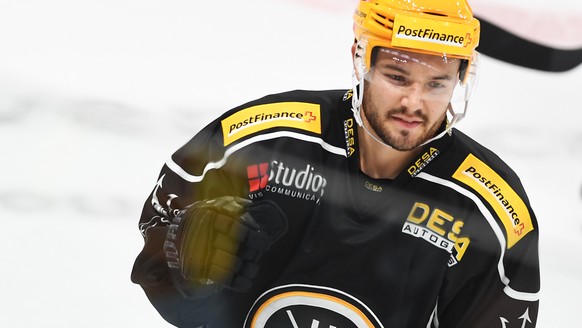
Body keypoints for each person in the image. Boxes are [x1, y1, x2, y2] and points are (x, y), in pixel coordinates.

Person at [131, 0, 540, 327]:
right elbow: (159, 252)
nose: (414, 103)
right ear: (360, 59)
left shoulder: (491, 207)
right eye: (397, 77)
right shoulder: (263, 140)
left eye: (437, 84)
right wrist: (180, 253)